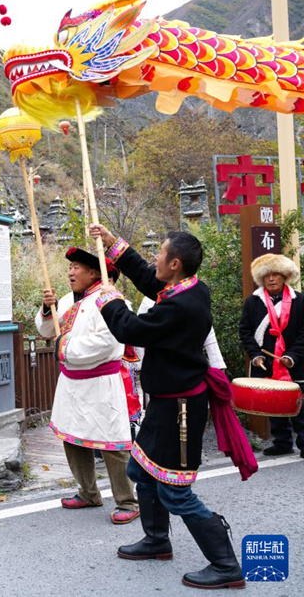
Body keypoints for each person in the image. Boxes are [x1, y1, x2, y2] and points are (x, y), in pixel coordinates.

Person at [90, 224, 256, 591]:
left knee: (176, 490)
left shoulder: (181, 307)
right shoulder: (189, 288)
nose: (155, 260)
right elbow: (151, 280)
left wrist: (108, 298)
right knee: (142, 470)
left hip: (181, 409)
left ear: (176, 264)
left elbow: (130, 328)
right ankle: (156, 540)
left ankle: (226, 564)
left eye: (160, 254)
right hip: (166, 403)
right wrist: (113, 244)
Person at [37, 247, 139, 525]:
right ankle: (88, 492)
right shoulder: (69, 299)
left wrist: (65, 347)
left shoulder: (112, 301)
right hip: (71, 383)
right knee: (73, 436)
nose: (70, 272)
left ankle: (127, 500)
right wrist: (48, 309)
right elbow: (48, 332)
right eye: (70, 267)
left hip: (101, 382)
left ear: (94, 272)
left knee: (112, 443)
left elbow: (108, 342)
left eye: (76, 267)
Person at [238, 253, 304, 458]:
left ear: (285, 276)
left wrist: (292, 356)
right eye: (267, 275)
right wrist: (256, 354)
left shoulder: (299, 301)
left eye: (276, 274)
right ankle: (282, 441)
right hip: (266, 362)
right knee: (272, 403)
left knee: (299, 403)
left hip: (294, 362)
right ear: (261, 278)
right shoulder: (253, 302)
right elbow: (245, 330)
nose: (272, 279)